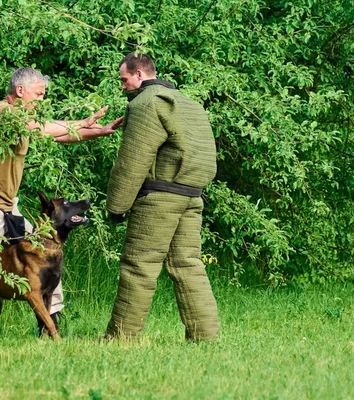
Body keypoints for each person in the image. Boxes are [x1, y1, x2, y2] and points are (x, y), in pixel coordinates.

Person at [0, 67, 122, 330]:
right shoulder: (2, 113)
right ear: (20, 91)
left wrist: (94, 130)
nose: (42, 100)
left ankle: (50, 324)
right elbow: (42, 129)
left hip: (8, 206)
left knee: (47, 252)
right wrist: (82, 123)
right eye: (39, 94)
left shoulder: (22, 119)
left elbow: (60, 134)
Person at [105, 52, 219, 341]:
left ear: (140, 74)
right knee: (188, 263)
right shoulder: (189, 105)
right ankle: (205, 337)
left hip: (159, 197)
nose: (123, 86)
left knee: (139, 266)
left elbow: (133, 161)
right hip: (192, 195)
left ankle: (120, 338)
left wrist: (116, 207)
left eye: (124, 79)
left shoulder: (147, 103)